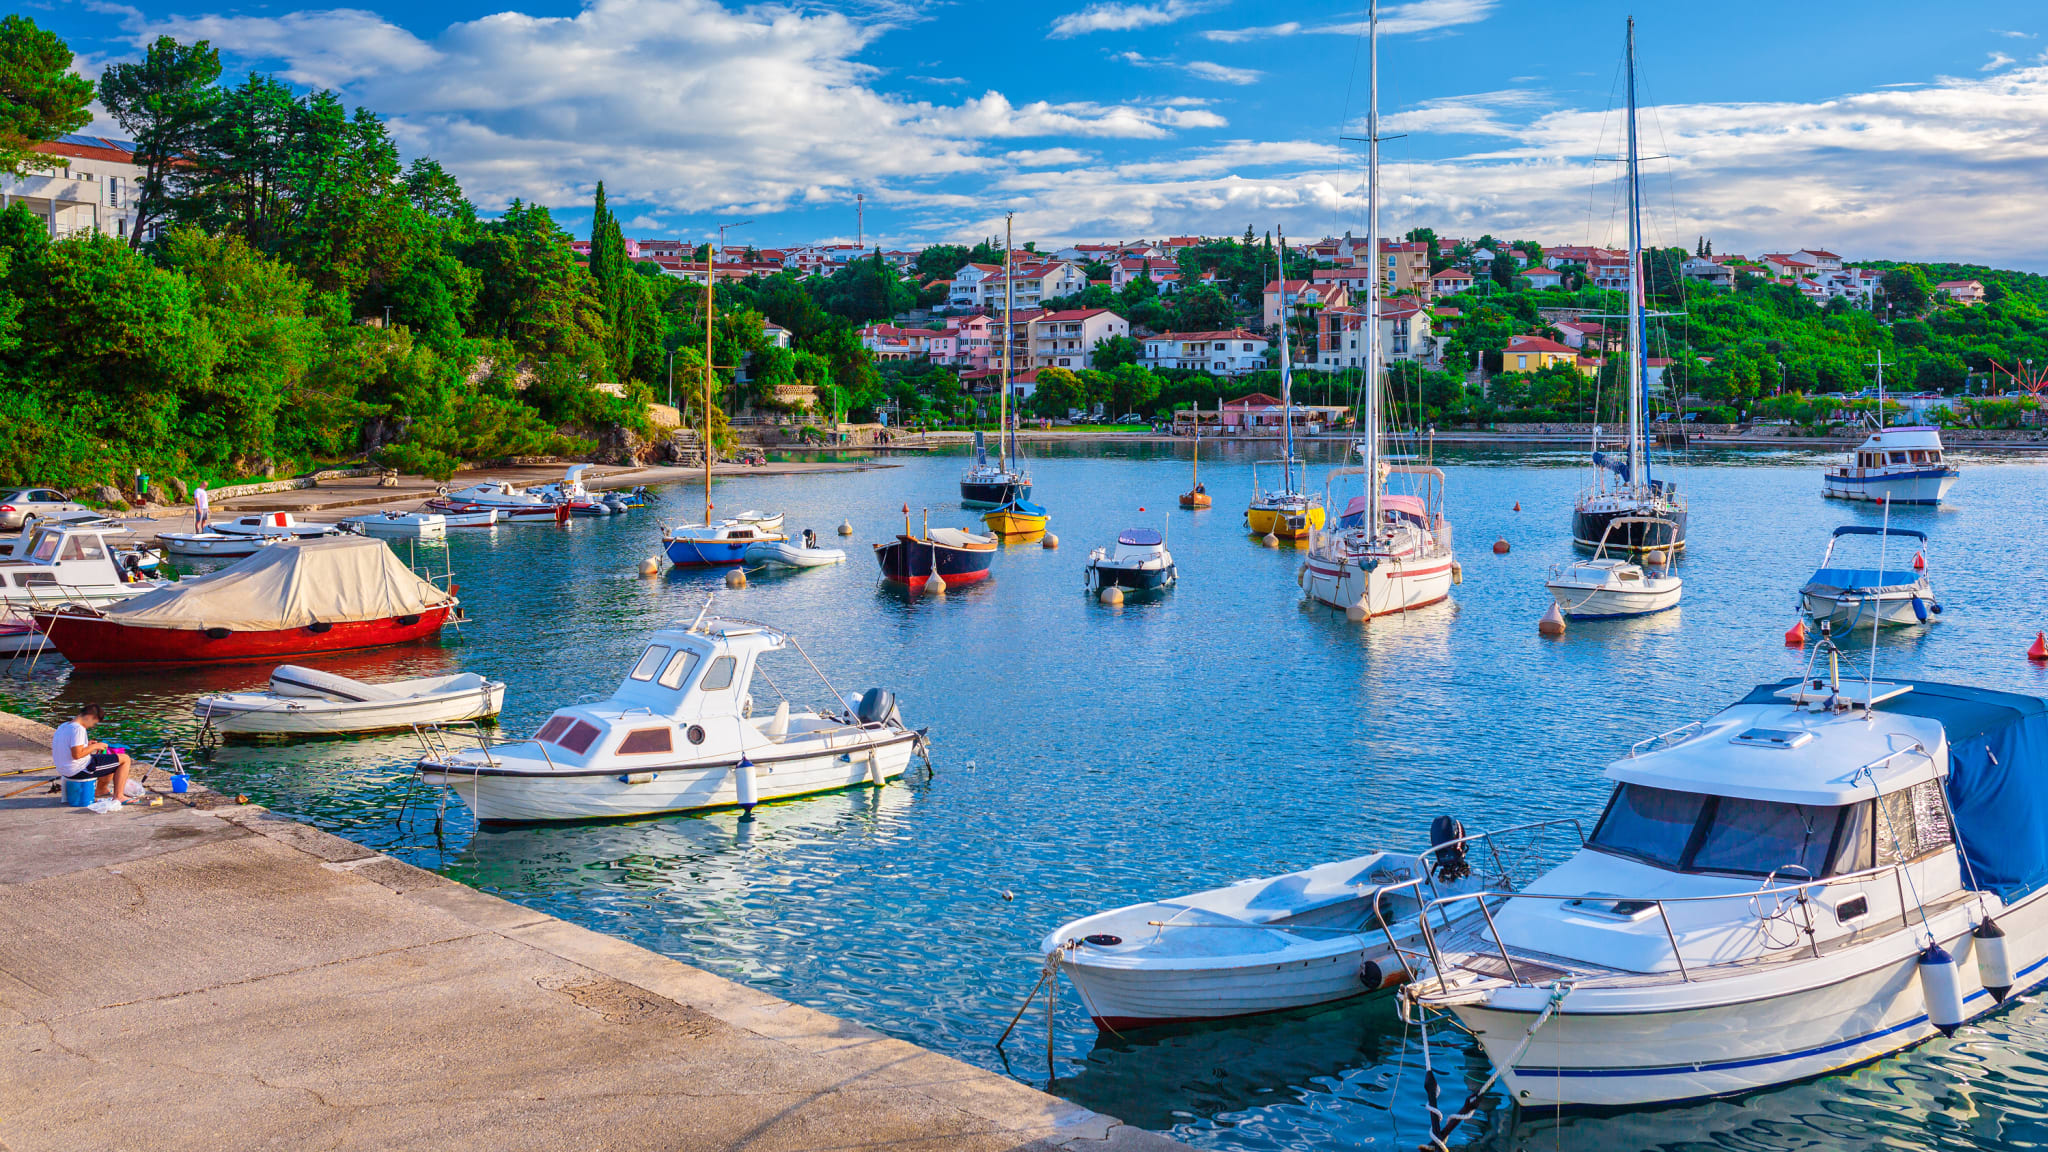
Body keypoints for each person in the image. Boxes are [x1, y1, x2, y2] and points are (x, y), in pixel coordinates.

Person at [52, 704, 134, 804]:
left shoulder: (64, 726)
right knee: (125, 759)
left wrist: (87, 745)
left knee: (110, 759)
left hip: (65, 769)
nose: (92, 726)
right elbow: (77, 755)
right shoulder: (78, 729)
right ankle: (119, 796)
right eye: (94, 722)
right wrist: (95, 746)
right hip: (79, 769)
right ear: (91, 717)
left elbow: (68, 747)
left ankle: (101, 790)